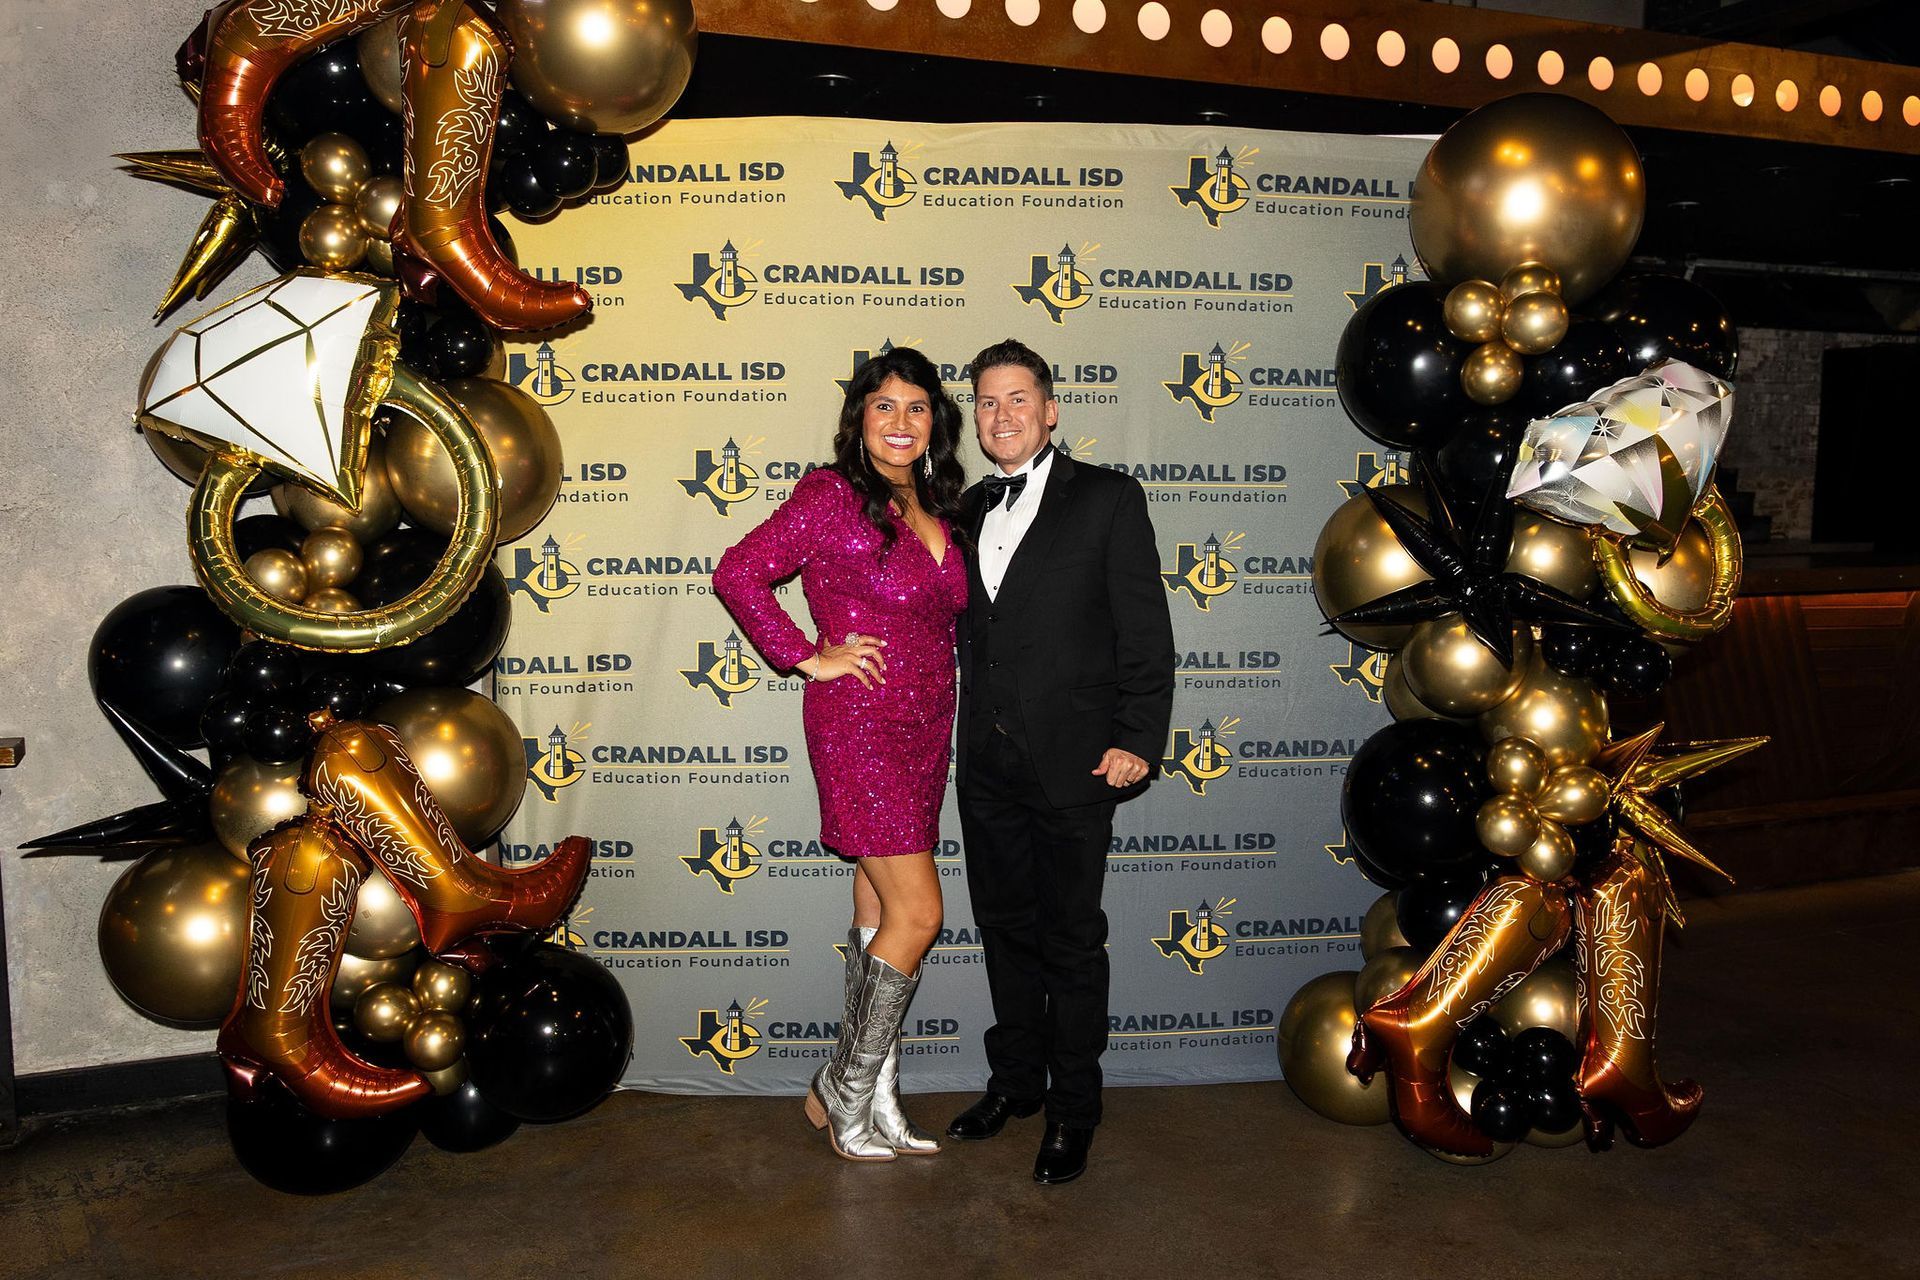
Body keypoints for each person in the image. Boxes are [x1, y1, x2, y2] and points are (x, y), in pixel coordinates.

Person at [711, 346, 969, 1162]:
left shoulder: (938, 505)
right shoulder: (830, 497)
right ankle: (842, 1091)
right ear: (859, 419)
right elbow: (739, 572)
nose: (901, 422)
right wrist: (805, 652)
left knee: (878, 909)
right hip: (859, 723)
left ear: (936, 423)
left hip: (929, 728)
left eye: (917, 407)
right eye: (883, 406)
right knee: (921, 915)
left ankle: (880, 1099)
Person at [948, 338, 1176, 1185]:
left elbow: (1145, 636)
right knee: (1005, 934)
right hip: (988, 770)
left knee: (1072, 944)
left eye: (1017, 399)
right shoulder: (964, 509)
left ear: (1050, 409)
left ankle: (1075, 1109)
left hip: (1081, 765)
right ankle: (1016, 1085)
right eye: (985, 402)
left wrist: (1137, 739)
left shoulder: (1111, 500)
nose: (1001, 415)